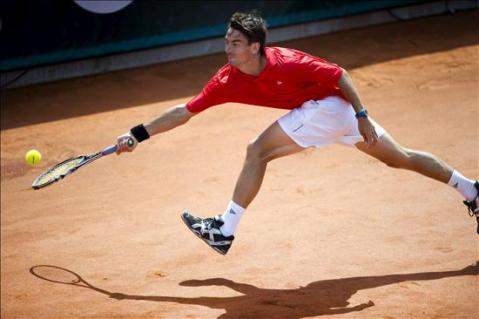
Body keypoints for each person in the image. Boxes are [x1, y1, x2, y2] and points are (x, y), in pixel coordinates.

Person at [116, 12, 478, 255]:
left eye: (235, 43)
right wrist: (136, 134)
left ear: (255, 46)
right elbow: (185, 111)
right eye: (226, 42)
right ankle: (471, 188)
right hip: (332, 115)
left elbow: (339, 75)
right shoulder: (226, 79)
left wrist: (362, 114)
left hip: (331, 107)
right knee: (401, 158)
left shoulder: (288, 61)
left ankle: (225, 229)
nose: (227, 48)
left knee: (257, 150)